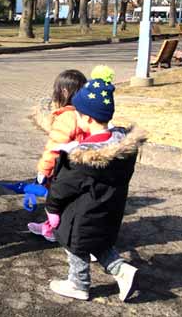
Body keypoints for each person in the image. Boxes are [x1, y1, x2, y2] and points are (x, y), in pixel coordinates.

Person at [40, 67, 143, 302]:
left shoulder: (83, 157)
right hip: (109, 210)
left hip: (82, 215)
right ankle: (123, 270)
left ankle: (79, 284)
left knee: (76, 245)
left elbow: (63, 187)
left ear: (86, 118)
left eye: (77, 113)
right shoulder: (120, 145)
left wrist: (52, 209)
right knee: (99, 242)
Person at [28, 69, 87, 241]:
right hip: (80, 169)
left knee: (57, 201)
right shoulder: (83, 114)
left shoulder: (67, 117)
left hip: (64, 169)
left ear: (64, 92)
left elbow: (54, 148)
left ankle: (56, 230)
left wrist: (43, 170)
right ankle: (52, 226)